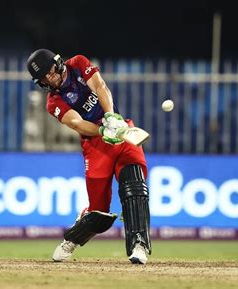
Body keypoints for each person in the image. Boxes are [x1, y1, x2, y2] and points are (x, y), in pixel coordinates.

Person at [26, 49, 151, 264]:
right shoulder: (53, 102)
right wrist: (102, 131)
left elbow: (100, 86)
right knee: (98, 213)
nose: (50, 79)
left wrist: (111, 117)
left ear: (58, 63)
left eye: (50, 72)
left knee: (135, 188)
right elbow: (76, 123)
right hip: (95, 146)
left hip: (120, 130)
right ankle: (73, 238)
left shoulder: (78, 63)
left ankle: (138, 244)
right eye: (44, 79)